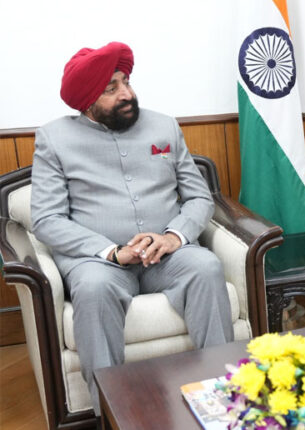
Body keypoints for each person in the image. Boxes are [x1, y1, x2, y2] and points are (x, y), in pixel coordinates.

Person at [30, 41, 234, 415]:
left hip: (167, 256)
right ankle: (110, 413)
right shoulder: (54, 139)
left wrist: (172, 237)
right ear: (87, 102)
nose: (126, 93)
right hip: (100, 262)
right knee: (93, 288)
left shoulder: (164, 126)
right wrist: (112, 252)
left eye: (125, 81)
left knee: (206, 266)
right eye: (111, 89)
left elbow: (199, 198)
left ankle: (223, 401)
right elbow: (46, 218)